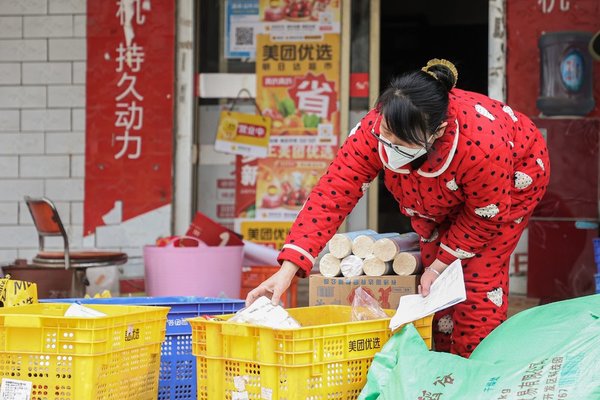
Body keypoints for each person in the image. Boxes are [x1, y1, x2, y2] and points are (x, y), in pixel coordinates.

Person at [245, 59, 550, 358]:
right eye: (385, 133)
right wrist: (287, 270)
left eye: (399, 140)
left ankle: (475, 376)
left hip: (506, 187)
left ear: (438, 131)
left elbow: (483, 218)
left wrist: (441, 263)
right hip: (431, 198)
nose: (388, 144)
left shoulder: (483, 146)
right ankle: (441, 374)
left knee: (476, 286)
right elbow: (332, 193)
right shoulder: (376, 126)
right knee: (435, 293)